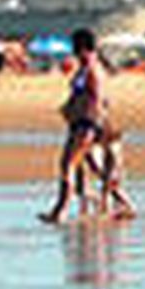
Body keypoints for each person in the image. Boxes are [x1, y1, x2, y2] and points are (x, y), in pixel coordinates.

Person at [42, 28, 122, 223]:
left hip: (87, 125)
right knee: (87, 167)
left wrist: (95, 124)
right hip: (80, 124)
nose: (74, 53)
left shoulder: (93, 69)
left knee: (68, 165)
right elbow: (81, 94)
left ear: (83, 48)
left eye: (76, 49)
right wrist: (69, 107)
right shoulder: (85, 68)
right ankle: (120, 203)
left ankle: (60, 211)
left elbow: (98, 99)